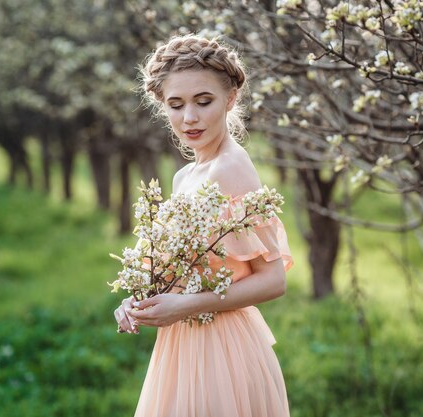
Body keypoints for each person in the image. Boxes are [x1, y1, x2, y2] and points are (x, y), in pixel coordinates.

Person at [113, 34, 294, 417]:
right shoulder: (184, 177)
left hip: (223, 351)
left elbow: (273, 279)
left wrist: (186, 306)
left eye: (203, 101)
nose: (189, 118)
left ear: (230, 99)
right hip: (180, 348)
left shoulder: (232, 168)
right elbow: (184, 273)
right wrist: (138, 302)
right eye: (176, 105)